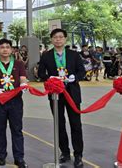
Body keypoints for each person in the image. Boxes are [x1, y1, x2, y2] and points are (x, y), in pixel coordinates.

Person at [38, 28, 85, 168]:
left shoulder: (74, 55)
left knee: (76, 124)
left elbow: (82, 71)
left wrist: (74, 77)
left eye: (60, 37)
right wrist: (49, 78)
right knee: (59, 124)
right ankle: (64, 152)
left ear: (65, 39)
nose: (58, 40)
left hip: (72, 93)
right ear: (52, 40)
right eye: (55, 37)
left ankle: (78, 155)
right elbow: (41, 73)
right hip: (55, 94)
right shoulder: (46, 56)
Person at [0, 39, 28, 168]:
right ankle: (1, 155)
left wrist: (24, 85)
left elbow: (23, 79)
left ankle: (19, 157)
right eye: (2, 47)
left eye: (7, 47)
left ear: (11, 49)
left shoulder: (19, 64)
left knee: (17, 129)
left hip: (15, 101)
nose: (5, 49)